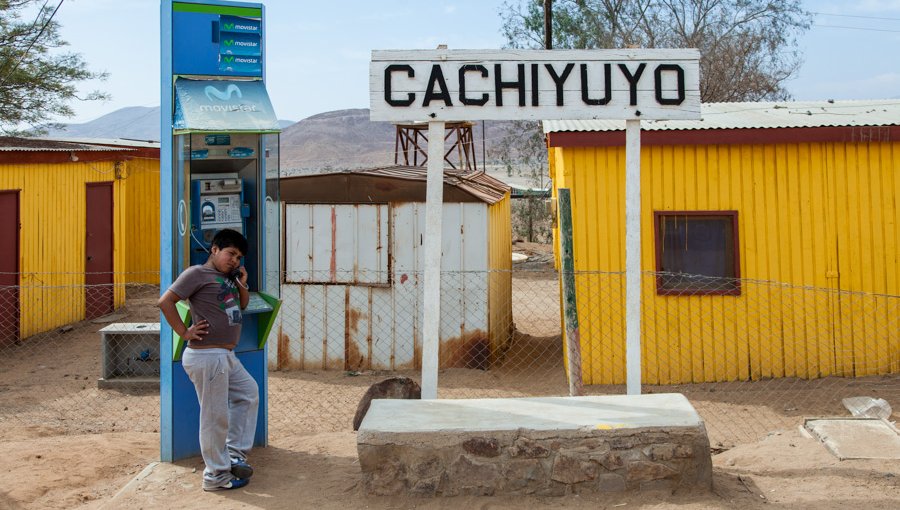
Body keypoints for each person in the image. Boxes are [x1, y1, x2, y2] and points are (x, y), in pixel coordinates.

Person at [158, 228, 258, 491]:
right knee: (215, 417)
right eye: (230, 254)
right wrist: (184, 331)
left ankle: (234, 455)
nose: (235, 260)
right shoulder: (196, 274)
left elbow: (243, 304)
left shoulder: (227, 278)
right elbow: (166, 302)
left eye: (239, 257)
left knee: (248, 393)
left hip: (225, 355)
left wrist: (241, 283)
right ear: (214, 250)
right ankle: (216, 475)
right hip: (206, 355)